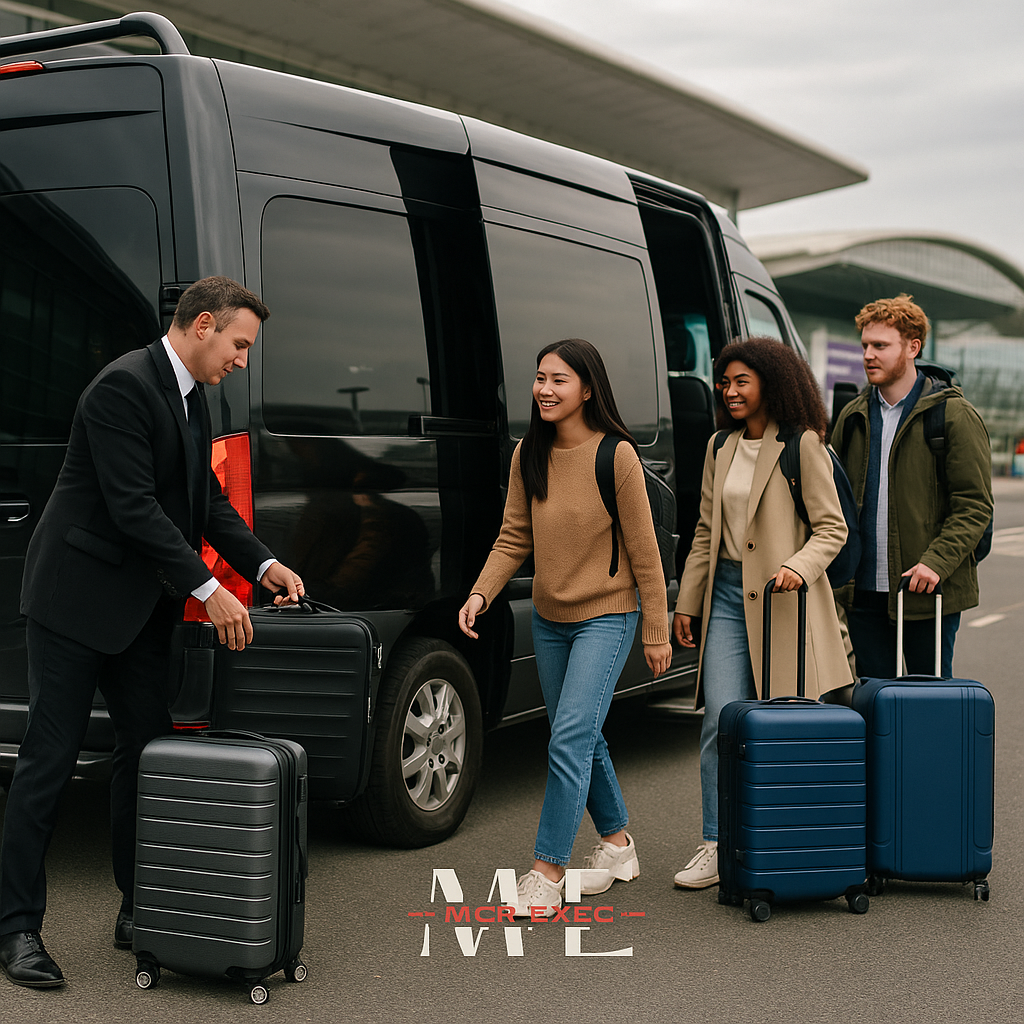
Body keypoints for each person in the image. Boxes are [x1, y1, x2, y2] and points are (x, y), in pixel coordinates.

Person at [0, 277, 305, 988]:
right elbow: (135, 507)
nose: (242, 360)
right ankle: (15, 928)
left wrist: (263, 564)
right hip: (74, 604)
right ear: (203, 325)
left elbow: (206, 505)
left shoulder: (194, 400)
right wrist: (210, 591)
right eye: (239, 344)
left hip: (138, 612)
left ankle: (141, 909)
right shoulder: (121, 388)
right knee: (49, 761)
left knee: (146, 757)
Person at [458, 338, 672, 916]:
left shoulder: (616, 456)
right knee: (581, 735)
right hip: (551, 620)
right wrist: (481, 593)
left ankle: (546, 872)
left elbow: (645, 552)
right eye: (539, 378)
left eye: (559, 380)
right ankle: (619, 846)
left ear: (587, 388)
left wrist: (656, 630)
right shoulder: (529, 453)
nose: (545, 390)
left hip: (608, 615)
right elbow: (512, 538)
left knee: (569, 737)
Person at [672, 336, 853, 890]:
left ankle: (782, 840)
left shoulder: (803, 446)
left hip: (785, 599)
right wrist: (688, 600)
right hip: (727, 595)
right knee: (721, 720)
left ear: (769, 384)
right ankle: (717, 842)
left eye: (740, 382)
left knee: (782, 724)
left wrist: (799, 565)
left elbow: (833, 528)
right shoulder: (718, 447)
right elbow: (706, 531)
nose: (728, 391)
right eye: (723, 382)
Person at [833, 294, 992, 679]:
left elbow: (974, 505)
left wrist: (935, 563)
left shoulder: (952, 415)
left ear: (912, 347)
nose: (869, 355)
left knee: (928, 705)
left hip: (928, 594)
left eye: (881, 346)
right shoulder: (852, 417)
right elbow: (832, 500)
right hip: (864, 595)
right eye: (866, 345)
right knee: (874, 706)